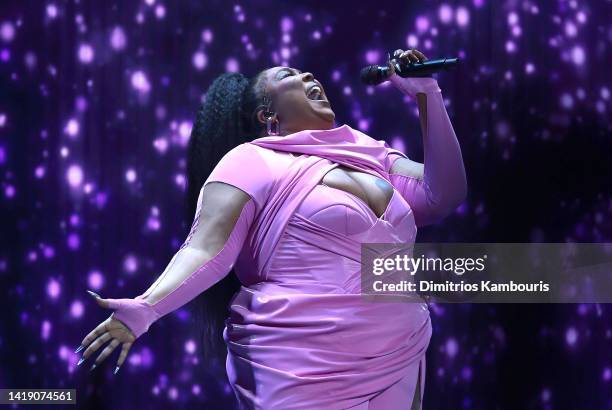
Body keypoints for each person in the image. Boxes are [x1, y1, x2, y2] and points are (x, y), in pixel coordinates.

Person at [75, 48, 467, 409]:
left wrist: (426, 95)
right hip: (302, 365)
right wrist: (146, 308)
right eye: (289, 75)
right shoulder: (251, 161)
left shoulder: (369, 153)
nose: (309, 74)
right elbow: (206, 249)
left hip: (398, 354)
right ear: (267, 114)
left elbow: (444, 193)